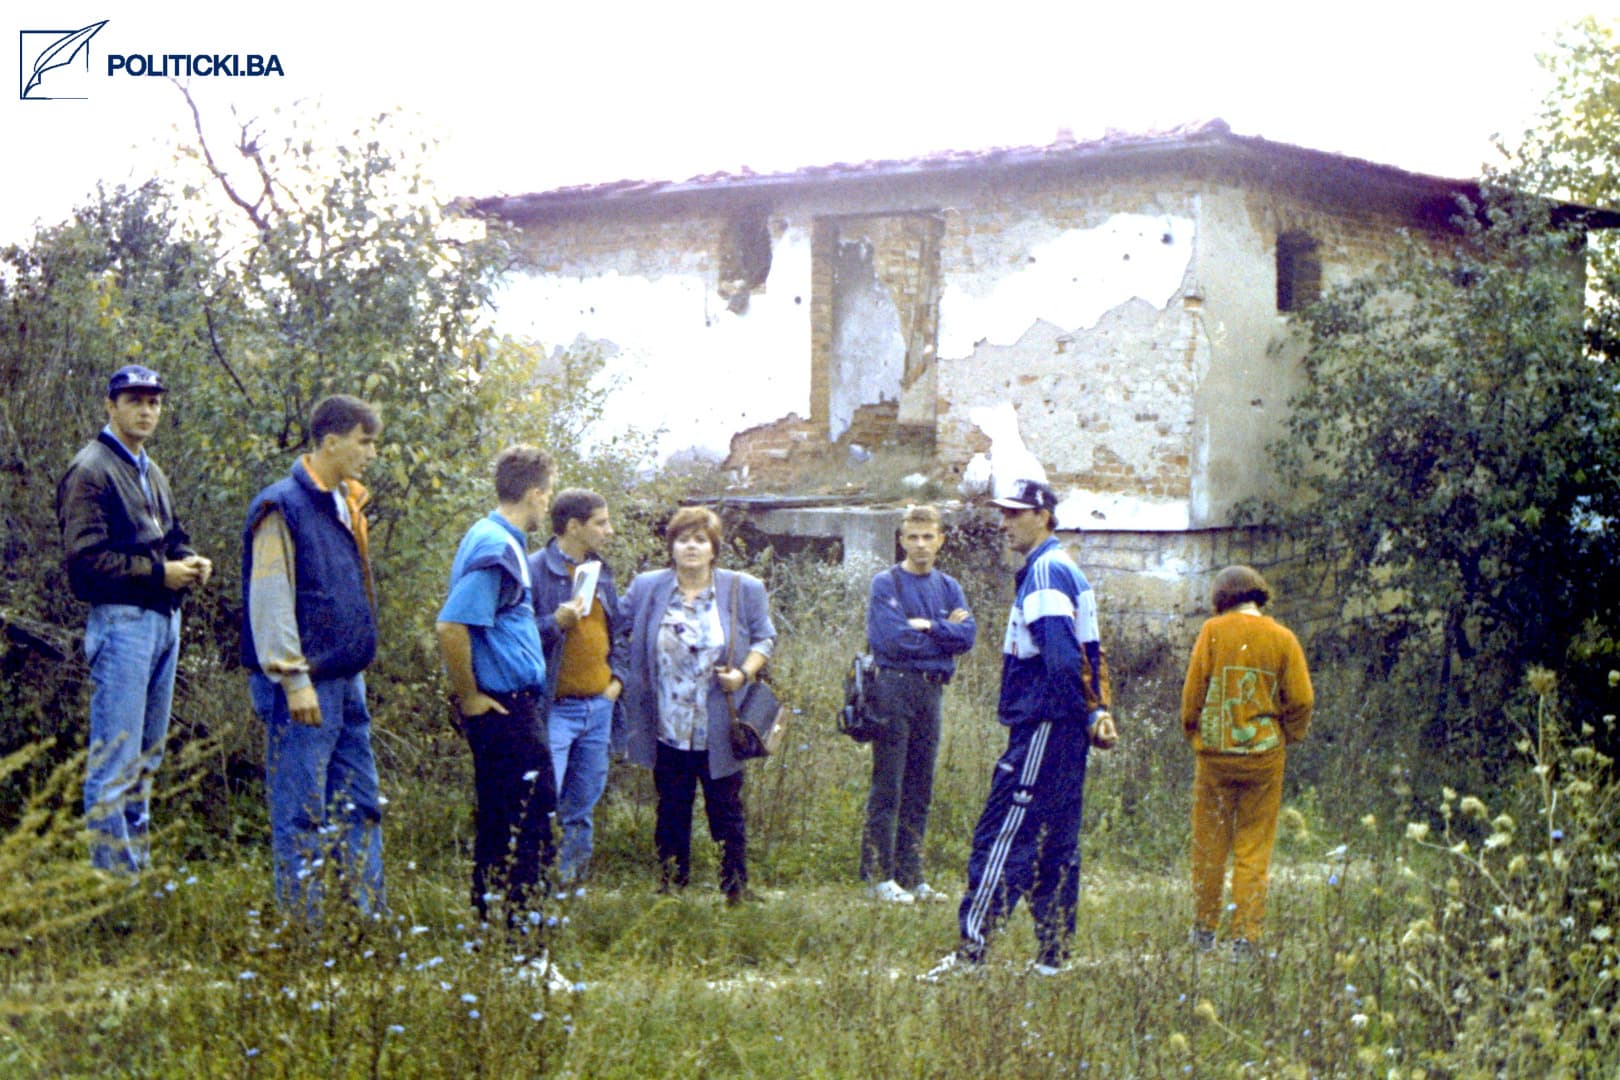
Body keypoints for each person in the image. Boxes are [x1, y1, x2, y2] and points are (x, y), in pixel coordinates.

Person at [923, 479, 1118, 980]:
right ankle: (1052, 957)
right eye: (1002, 513)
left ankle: (971, 953)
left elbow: (1059, 660)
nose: (1005, 523)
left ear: (1044, 515)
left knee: (1003, 835)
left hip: (1043, 725)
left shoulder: (1047, 574)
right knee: (1056, 841)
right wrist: (1095, 711)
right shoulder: (1060, 568)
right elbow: (1086, 654)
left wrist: (1072, 715)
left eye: (1015, 514)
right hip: (1066, 727)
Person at [57, 364, 212, 874]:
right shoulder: (91, 469)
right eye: (135, 400)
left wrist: (189, 560)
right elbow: (84, 565)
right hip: (122, 622)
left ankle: (134, 875)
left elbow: (172, 534)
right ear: (111, 405)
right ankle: (110, 887)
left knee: (146, 759)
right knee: (115, 762)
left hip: (161, 622)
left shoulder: (150, 468)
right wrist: (156, 574)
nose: (146, 410)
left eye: (154, 401)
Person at [242, 394, 386, 921]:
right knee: (300, 812)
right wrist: (293, 678)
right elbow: (271, 596)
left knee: (361, 806)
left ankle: (366, 925)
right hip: (304, 685)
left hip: (347, 680)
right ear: (330, 441)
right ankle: (305, 938)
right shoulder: (282, 505)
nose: (370, 453)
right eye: (364, 441)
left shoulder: (345, 503)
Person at [620, 507, 775, 905]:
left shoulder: (743, 588)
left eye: (700, 540)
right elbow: (616, 629)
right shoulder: (647, 587)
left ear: (713, 549)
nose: (691, 547)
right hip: (667, 720)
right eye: (683, 539)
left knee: (726, 808)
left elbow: (764, 639)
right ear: (671, 546)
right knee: (671, 807)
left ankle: (735, 887)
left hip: (721, 722)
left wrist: (743, 674)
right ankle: (672, 885)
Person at [436, 446, 558, 930]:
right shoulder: (497, 548)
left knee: (502, 821)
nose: (548, 505)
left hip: (509, 707)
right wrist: (469, 697)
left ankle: (494, 934)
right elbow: (451, 626)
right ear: (533, 494)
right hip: (505, 711)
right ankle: (522, 943)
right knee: (527, 823)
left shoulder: (492, 537)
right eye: (547, 495)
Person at [1181, 565, 1313, 960]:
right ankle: (1245, 939)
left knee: (1210, 843)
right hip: (1264, 759)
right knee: (1253, 847)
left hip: (1216, 757)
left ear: (1221, 598)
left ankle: (1204, 930)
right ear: (1258, 594)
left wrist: (1197, 736)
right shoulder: (1283, 638)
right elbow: (1302, 700)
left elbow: (1193, 695)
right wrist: (1288, 735)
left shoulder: (1211, 632)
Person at [861, 504, 977, 904]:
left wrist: (931, 626)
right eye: (913, 537)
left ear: (941, 540)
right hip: (892, 689)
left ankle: (913, 876)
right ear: (901, 540)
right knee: (889, 782)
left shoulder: (948, 587)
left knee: (920, 785)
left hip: (931, 691)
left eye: (928, 537)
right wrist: (944, 637)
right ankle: (879, 877)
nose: (921, 545)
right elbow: (891, 641)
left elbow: (969, 637)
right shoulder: (886, 583)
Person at [530, 489, 627, 887]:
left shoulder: (600, 572)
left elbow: (621, 632)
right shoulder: (535, 570)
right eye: (601, 522)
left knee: (581, 809)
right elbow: (511, 637)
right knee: (541, 802)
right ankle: (534, 890)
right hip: (555, 709)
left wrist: (616, 682)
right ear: (573, 526)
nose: (610, 530)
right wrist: (554, 622)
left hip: (598, 707)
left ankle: (569, 893)